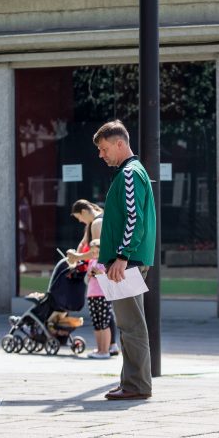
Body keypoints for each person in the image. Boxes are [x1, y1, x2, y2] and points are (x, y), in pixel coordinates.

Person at [92, 120, 156, 400]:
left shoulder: (129, 174)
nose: (101, 155)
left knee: (131, 326)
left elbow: (134, 219)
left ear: (120, 143)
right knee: (129, 325)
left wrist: (121, 256)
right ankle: (131, 382)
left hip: (126, 262)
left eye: (104, 148)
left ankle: (136, 385)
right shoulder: (132, 172)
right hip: (127, 260)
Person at [67, 198, 119, 356]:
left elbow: (98, 250)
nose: (80, 221)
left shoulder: (97, 223)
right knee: (104, 313)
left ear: (83, 212)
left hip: (100, 275)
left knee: (102, 315)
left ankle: (107, 347)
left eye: (79, 218)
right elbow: (85, 244)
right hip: (100, 274)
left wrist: (77, 257)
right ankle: (109, 346)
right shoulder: (96, 221)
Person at [84, 239, 115, 359]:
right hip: (91, 295)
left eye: (97, 252)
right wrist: (90, 274)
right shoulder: (91, 261)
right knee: (96, 323)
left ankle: (105, 350)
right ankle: (99, 349)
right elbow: (87, 279)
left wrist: (99, 273)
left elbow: (108, 278)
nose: (94, 254)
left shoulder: (105, 262)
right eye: (92, 252)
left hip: (103, 295)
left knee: (104, 323)